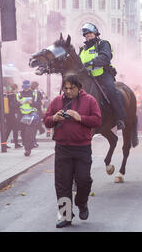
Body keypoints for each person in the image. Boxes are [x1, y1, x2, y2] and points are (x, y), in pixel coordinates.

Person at [43, 74, 102, 228]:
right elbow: (46, 121)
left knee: (84, 180)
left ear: (79, 88)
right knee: (62, 183)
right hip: (63, 148)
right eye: (66, 88)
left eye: (72, 88)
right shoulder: (56, 101)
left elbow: (97, 120)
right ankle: (65, 215)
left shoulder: (89, 100)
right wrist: (54, 118)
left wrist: (80, 117)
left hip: (82, 148)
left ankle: (82, 203)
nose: (68, 91)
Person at [79, 22, 125, 130]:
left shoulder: (103, 44)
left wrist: (91, 62)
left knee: (111, 90)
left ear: (95, 33)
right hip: (88, 77)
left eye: (90, 33)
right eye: (85, 35)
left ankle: (120, 118)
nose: (88, 36)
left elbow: (105, 57)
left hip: (103, 75)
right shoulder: (82, 49)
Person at [17, 80, 39, 156]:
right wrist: (19, 103)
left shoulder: (34, 93)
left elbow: (38, 104)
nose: (26, 89)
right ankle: (27, 146)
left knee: (30, 133)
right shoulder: (19, 94)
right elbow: (14, 105)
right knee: (23, 133)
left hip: (31, 115)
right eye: (25, 87)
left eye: (27, 87)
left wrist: (31, 103)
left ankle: (28, 148)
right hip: (22, 116)